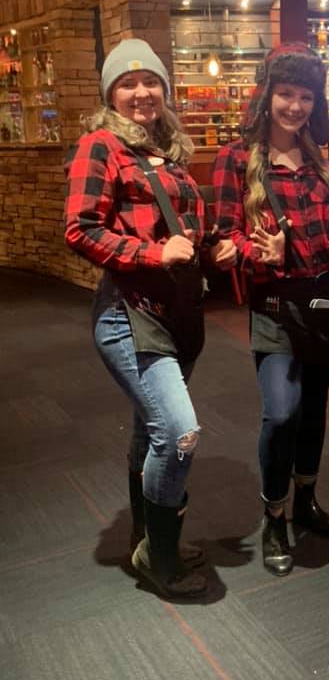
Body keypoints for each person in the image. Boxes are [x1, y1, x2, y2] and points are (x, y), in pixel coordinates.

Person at [64, 38, 237, 598]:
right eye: (127, 83)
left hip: (178, 312)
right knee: (179, 432)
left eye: (151, 82)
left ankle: (147, 538)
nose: (141, 92)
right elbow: (80, 229)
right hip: (129, 311)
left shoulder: (170, 152)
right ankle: (160, 557)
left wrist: (215, 247)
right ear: (110, 94)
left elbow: (186, 233)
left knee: (150, 428)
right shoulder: (100, 145)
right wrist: (152, 254)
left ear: (165, 89)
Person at [213, 43, 329, 576]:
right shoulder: (236, 158)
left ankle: (306, 502)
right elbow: (223, 236)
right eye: (286, 93)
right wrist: (257, 253)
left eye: (306, 96)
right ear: (267, 95)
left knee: (312, 410)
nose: (295, 106)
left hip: (324, 301)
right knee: (281, 412)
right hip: (274, 304)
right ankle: (274, 516)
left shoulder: (316, 157)